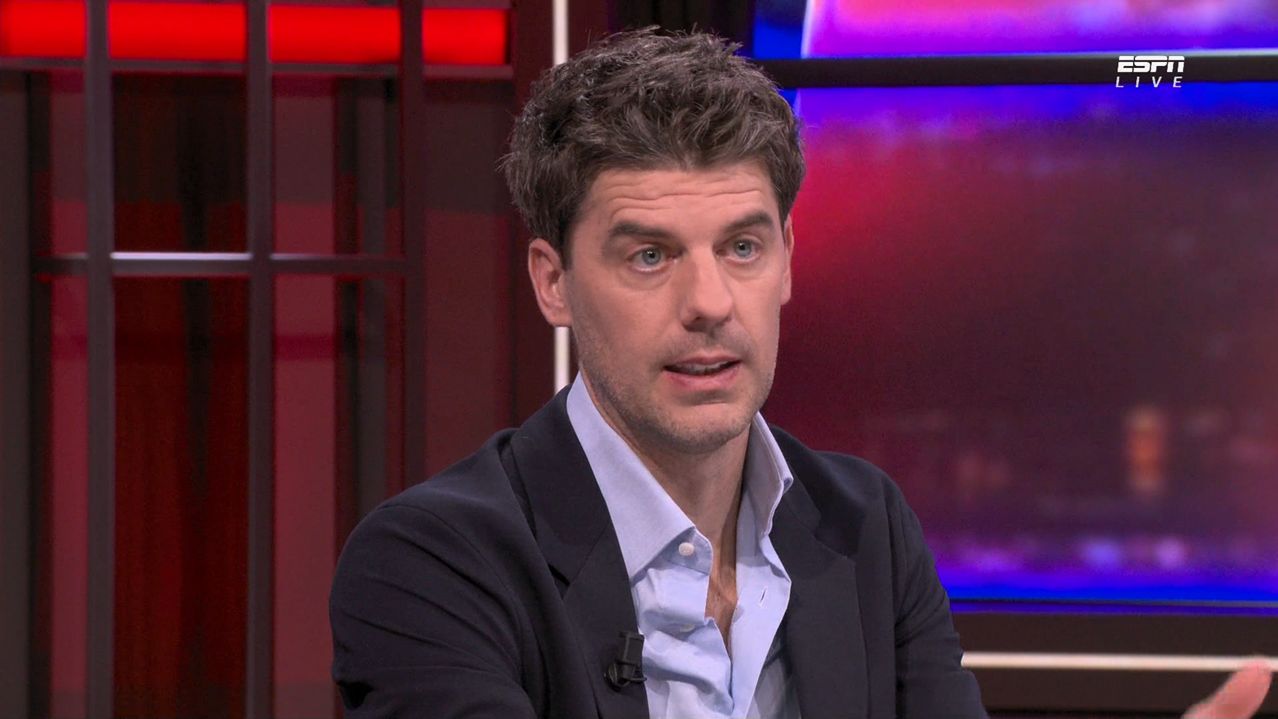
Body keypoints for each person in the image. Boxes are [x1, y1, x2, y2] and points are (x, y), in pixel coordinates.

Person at [329, 29, 1272, 719]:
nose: (709, 302)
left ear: (787, 257)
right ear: (553, 283)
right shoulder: (435, 564)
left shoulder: (864, 526)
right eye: (650, 256)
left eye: (741, 247)